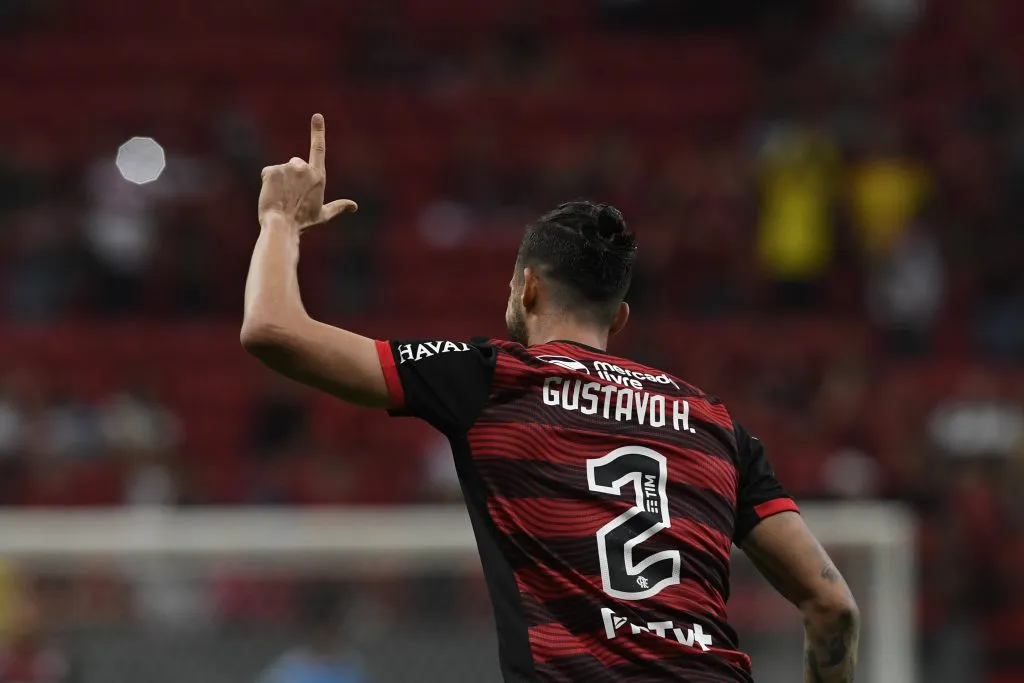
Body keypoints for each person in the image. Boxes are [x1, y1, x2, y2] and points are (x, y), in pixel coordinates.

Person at [241, 114, 860, 683]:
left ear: (528, 288)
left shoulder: (494, 378)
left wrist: (280, 221)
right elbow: (832, 606)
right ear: (619, 319)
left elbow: (272, 331)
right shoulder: (716, 423)